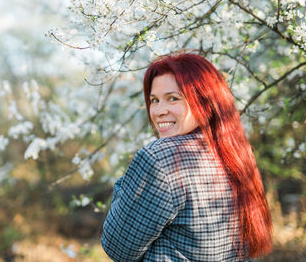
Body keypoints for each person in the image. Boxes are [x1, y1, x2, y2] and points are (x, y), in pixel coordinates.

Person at [101, 52, 272, 261]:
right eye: (154, 100)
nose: (159, 111)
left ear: (204, 101)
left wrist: (125, 188)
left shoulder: (158, 158)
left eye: (173, 98)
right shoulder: (234, 154)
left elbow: (117, 247)